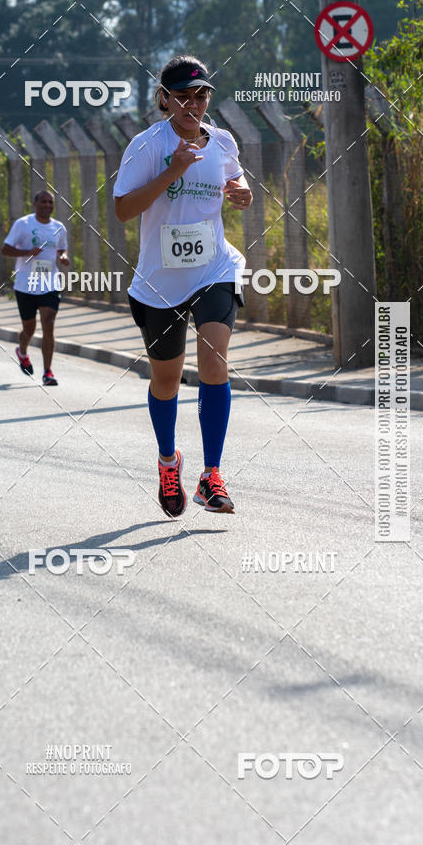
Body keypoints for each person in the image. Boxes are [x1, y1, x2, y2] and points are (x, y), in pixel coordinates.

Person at [113, 55, 253, 517]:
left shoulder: (223, 140)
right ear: (164, 100)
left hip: (214, 268)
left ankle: (211, 476)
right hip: (159, 283)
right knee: (167, 380)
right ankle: (168, 461)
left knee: (215, 360)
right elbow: (122, 210)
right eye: (183, 96)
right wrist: (172, 170)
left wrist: (242, 190)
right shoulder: (146, 146)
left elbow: (233, 174)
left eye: (202, 94)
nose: (194, 104)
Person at [1, 190, 70, 386]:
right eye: (44, 202)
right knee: (29, 329)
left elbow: (61, 247)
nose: (47, 205)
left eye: (51, 202)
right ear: (35, 203)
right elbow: (5, 249)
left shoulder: (59, 227)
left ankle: (48, 372)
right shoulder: (23, 224)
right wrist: (27, 252)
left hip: (49, 283)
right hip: (25, 285)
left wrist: (63, 256)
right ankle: (22, 351)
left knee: (48, 323)